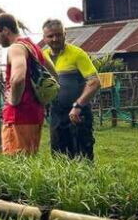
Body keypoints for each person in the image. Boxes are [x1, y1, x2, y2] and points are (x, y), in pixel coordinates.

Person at [0, 13, 55, 155]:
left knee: (15, 165)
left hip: (18, 116)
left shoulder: (16, 48)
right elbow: (54, 74)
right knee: (28, 164)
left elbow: (18, 78)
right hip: (35, 114)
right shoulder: (34, 47)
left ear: (6, 31)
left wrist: (13, 101)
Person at [42, 19, 100, 160]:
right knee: (59, 156)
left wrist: (78, 105)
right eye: (50, 36)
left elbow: (94, 81)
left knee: (82, 156)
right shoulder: (42, 57)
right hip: (56, 112)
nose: (55, 39)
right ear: (44, 38)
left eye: (58, 34)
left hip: (78, 113)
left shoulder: (77, 54)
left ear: (65, 34)